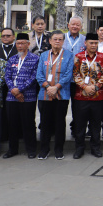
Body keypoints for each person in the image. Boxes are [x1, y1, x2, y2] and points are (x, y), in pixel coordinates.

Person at [36, 31, 74, 160]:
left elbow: (68, 75)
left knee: (59, 123)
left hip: (61, 94)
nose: (57, 41)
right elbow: (39, 75)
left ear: (63, 41)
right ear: (50, 41)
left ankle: (59, 149)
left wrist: (56, 87)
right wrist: (48, 87)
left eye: (60, 39)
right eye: (55, 39)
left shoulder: (69, 55)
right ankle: (44, 150)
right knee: (45, 123)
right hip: (45, 94)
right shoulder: (43, 56)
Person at [3, 33, 40, 159]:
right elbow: (7, 76)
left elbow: (34, 77)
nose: (20, 46)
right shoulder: (12, 59)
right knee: (12, 124)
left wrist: (20, 90)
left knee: (28, 123)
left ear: (28, 44)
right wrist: (13, 89)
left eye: (23, 43)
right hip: (11, 96)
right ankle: (12, 149)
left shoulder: (35, 59)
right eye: (18, 43)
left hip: (28, 97)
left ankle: (31, 150)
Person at [72, 34, 103, 158]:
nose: (93, 45)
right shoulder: (79, 57)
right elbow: (75, 74)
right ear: (85, 43)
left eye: (95, 43)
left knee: (95, 124)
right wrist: (85, 87)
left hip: (98, 97)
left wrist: (96, 87)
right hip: (81, 97)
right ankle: (79, 148)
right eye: (91, 43)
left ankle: (95, 148)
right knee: (80, 124)